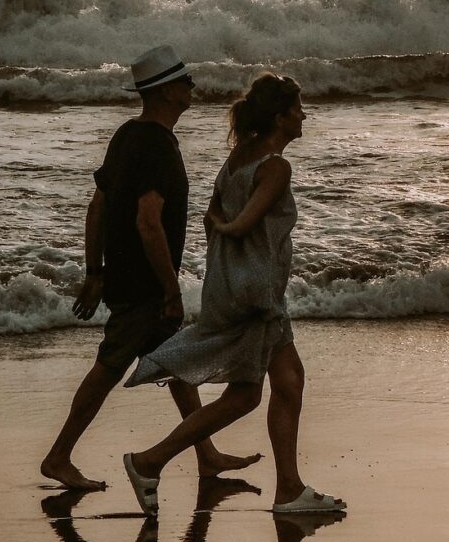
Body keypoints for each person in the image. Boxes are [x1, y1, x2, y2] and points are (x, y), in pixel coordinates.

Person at [121, 73, 345, 516]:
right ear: (281, 117)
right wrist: (232, 230)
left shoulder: (238, 157)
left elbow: (212, 215)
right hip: (256, 292)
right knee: (245, 396)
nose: (304, 115)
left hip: (232, 285)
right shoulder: (276, 167)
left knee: (289, 381)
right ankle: (149, 461)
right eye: (298, 108)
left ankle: (289, 488)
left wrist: (223, 235)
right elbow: (240, 221)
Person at [41, 45, 260, 490]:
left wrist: (95, 272)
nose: (192, 88)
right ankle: (58, 457)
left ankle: (207, 454)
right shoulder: (157, 145)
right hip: (144, 285)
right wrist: (169, 289)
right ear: (165, 93)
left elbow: (98, 205)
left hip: (125, 276)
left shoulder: (127, 135)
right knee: (108, 367)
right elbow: (148, 222)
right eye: (185, 82)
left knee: (177, 365)